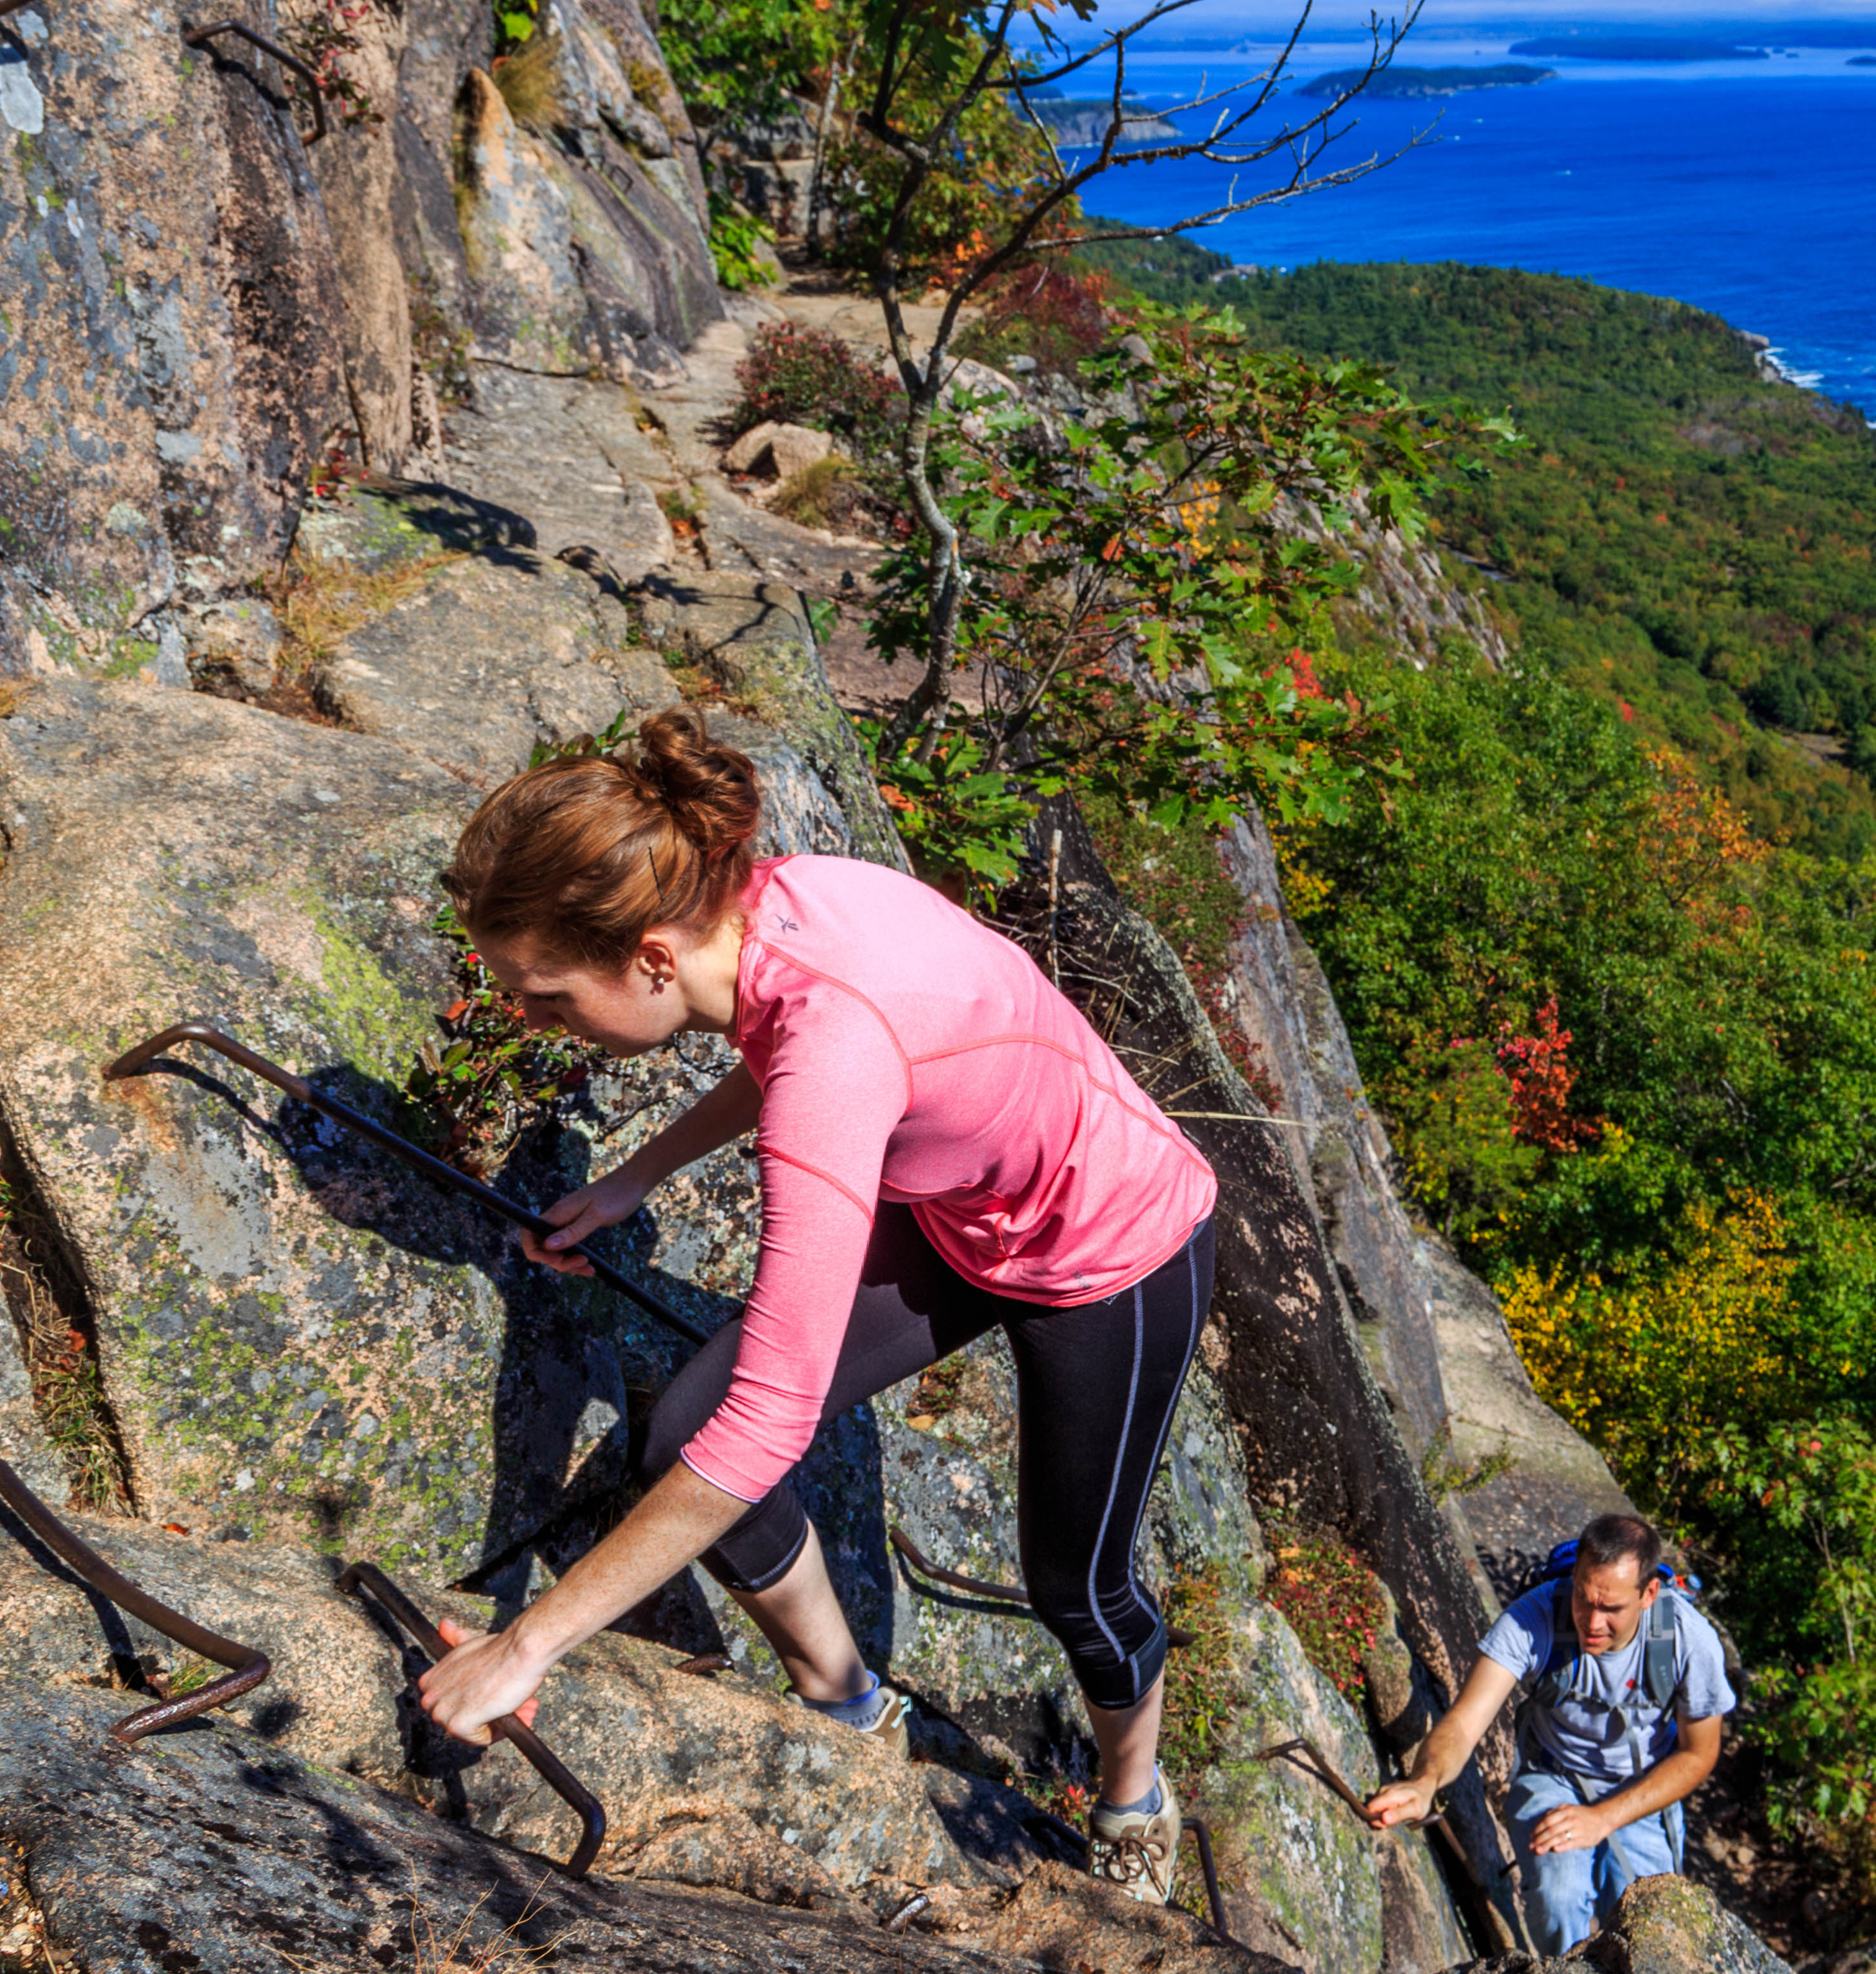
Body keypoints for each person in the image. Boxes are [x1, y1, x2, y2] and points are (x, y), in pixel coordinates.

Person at [410, 709, 1218, 1903]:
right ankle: (849, 1703)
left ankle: (1133, 1796)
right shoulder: (770, 908)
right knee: (681, 1424)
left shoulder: (831, 1046)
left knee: (1076, 1585)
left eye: (546, 996)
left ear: (646, 956)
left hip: (1114, 1247)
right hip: (964, 1212)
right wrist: (638, 1174)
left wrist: (524, 1645)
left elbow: (773, 1413)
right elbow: (783, 1042)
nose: (530, 1020)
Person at [1364, 1512, 1736, 1952]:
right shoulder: (1533, 1619)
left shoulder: (1687, 1640)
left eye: (1611, 1608)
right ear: (1575, 1575)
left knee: (1648, 1933)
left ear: (1649, 1594)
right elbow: (1464, 1723)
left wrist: (1602, 1819)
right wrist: (1425, 1782)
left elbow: (1698, 1755)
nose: (1592, 1623)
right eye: (1583, 1598)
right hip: (1553, 1776)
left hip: (1643, 1789)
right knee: (1559, 1902)